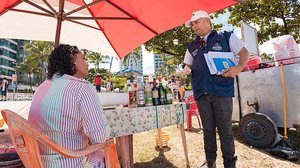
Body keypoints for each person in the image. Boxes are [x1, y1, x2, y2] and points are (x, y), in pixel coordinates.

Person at [184, 10, 249, 168]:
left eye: (196, 22)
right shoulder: (192, 45)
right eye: (192, 24)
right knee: (207, 130)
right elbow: (188, 64)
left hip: (221, 91)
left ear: (207, 20)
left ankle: (229, 163)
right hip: (201, 93)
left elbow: (244, 52)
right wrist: (186, 68)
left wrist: (238, 68)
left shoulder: (225, 36)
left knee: (225, 129)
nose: (194, 27)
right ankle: (210, 162)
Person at [28, 44, 110, 168]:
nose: (87, 63)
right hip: (73, 162)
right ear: (73, 60)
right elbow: (100, 137)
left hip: (39, 162)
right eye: (83, 58)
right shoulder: (83, 88)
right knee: (108, 147)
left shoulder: (42, 87)